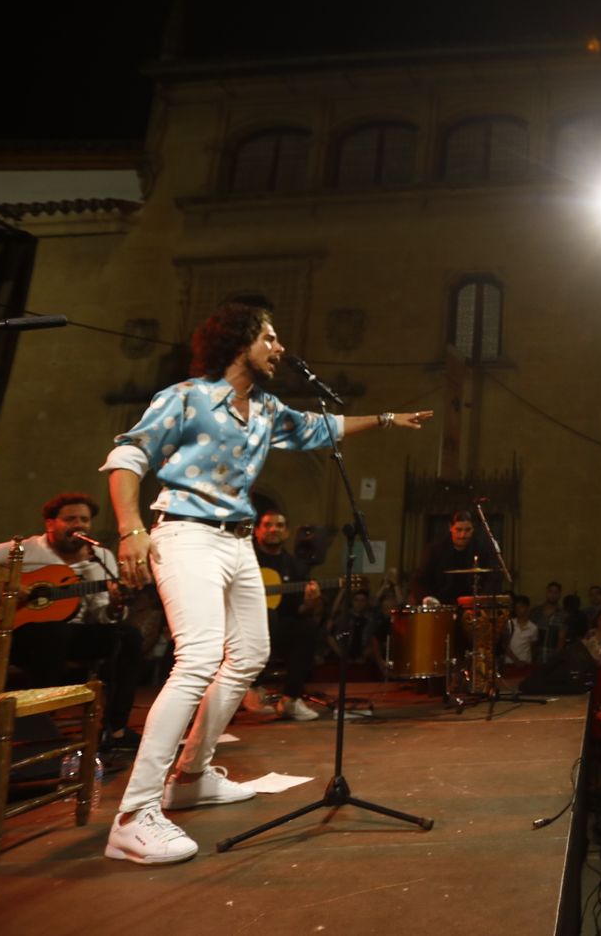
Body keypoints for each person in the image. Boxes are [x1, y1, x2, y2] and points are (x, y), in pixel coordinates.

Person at [100, 301, 429, 865]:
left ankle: (192, 774)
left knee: (250, 653)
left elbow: (321, 428)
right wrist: (130, 528)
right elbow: (129, 453)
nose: (280, 348)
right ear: (240, 341)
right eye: (271, 338)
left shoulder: (269, 409)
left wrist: (387, 419)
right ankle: (133, 814)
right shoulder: (184, 397)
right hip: (186, 533)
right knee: (200, 655)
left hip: (238, 541)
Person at [0, 492, 144, 752]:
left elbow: (102, 615)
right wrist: (5, 591)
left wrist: (115, 606)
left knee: (128, 636)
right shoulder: (24, 549)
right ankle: (38, 729)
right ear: (50, 523)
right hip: (18, 634)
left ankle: (115, 729)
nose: (78, 525)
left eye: (84, 519)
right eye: (70, 519)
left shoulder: (100, 558)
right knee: (53, 633)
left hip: (71, 634)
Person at [242, 509, 323, 721]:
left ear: (286, 533)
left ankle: (290, 699)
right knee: (268, 616)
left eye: (279, 526)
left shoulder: (294, 565)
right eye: (268, 525)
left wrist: (310, 601)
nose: (273, 530)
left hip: (279, 626)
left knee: (307, 627)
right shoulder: (245, 558)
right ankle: (252, 688)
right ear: (257, 530)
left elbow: (301, 610)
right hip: (243, 623)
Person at [412, 511, 487, 606]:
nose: (463, 535)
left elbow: (491, 580)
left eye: (467, 530)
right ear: (450, 528)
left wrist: (482, 601)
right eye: (458, 530)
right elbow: (418, 580)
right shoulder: (435, 550)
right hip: (441, 604)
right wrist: (427, 598)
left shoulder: (481, 549)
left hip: (470, 606)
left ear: (473, 529)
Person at [503, 593, 540, 670]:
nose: (518, 609)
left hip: (526, 663)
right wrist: (516, 661)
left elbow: (534, 647)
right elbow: (504, 645)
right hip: (510, 663)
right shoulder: (509, 624)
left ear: (527, 608)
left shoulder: (533, 628)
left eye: (521, 606)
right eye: (517, 607)